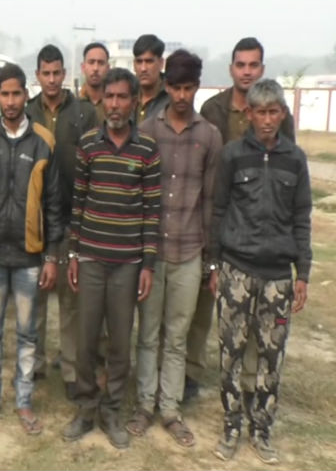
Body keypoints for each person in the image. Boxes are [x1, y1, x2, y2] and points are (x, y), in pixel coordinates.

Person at [185, 38, 296, 401]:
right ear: (231, 68)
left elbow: (287, 163)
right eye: (241, 65)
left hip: (259, 227)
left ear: (262, 69)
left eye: (253, 65)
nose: (247, 72)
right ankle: (191, 372)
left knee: (256, 314)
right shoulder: (212, 109)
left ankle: (249, 382)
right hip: (217, 216)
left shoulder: (277, 113)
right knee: (204, 307)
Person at [208, 79, 311, 464]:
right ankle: (231, 426)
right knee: (230, 353)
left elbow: (302, 217)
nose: (267, 120)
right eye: (260, 112)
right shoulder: (232, 155)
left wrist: (303, 273)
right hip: (237, 271)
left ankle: (262, 430)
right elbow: (218, 211)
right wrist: (214, 264)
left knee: (272, 355)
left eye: (273, 112)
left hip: (278, 278)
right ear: (248, 114)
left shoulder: (295, 159)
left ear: (282, 114)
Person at [128, 50, 222, 447]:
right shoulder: (147, 131)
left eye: (189, 88)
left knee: (177, 336)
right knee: (148, 333)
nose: (182, 96)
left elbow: (211, 202)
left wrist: (211, 261)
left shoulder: (210, 136)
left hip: (189, 253)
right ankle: (143, 405)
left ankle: (169, 409)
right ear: (166, 86)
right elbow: (137, 195)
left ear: (197, 87)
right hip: (152, 253)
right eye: (176, 87)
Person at [63, 67, 161, 449]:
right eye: (109, 97)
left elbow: (152, 211)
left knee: (120, 343)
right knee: (86, 341)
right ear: (101, 100)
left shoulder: (147, 149)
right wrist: (74, 253)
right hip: (90, 259)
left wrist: (147, 264)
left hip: (127, 265)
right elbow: (78, 202)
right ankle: (86, 409)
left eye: (122, 97)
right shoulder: (88, 144)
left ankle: (112, 411)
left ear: (134, 101)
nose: (115, 104)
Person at [0, 63, 62, 436]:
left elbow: (53, 205)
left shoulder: (44, 143)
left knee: (27, 335)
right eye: (3, 94)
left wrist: (51, 256)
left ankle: (24, 402)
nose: (9, 101)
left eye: (15, 93)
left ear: (26, 94)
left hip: (28, 258)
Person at [25, 44, 96, 400]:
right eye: (46, 73)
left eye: (57, 73)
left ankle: (69, 369)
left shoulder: (84, 113)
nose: (52, 80)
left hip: (71, 219)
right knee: (34, 298)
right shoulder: (26, 112)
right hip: (33, 221)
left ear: (65, 74)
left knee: (69, 302)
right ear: (37, 75)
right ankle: (34, 363)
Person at [132, 34, 170, 124]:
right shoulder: (127, 94)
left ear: (161, 63)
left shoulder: (172, 97)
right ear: (134, 64)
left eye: (149, 61)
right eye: (139, 62)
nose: (143, 68)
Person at [77, 42, 110, 125]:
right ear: (83, 67)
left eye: (101, 63)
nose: (95, 68)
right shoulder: (72, 105)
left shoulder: (114, 104)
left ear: (108, 68)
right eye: (91, 62)